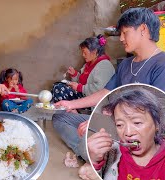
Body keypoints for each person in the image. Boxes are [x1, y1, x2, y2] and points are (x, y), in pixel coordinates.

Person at [52, 7, 165, 174]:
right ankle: (90, 152)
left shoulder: (161, 64)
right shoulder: (126, 65)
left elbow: (155, 116)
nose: (120, 38)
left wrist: (100, 123)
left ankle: (93, 154)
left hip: (137, 131)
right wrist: (70, 103)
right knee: (59, 117)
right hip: (116, 123)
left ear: (143, 29)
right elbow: (105, 92)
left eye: (125, 32)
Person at [87, 85, 165, 179]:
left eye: (137, 122)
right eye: (119, 125)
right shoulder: (112, 153)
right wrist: (94, 161)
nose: (127, 133)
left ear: (157, 124)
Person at [51, 34, 115, 103]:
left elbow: (100, 89)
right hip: (84, 95)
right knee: (57, 85)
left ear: (94, 52)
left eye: (84, 52)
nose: (83, 55)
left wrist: (80, 88)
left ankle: (72, 110)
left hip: (92, 101)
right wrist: (74, 74)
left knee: (59, 89)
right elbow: (83, 82)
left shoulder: (104, 65)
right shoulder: (88, 64)